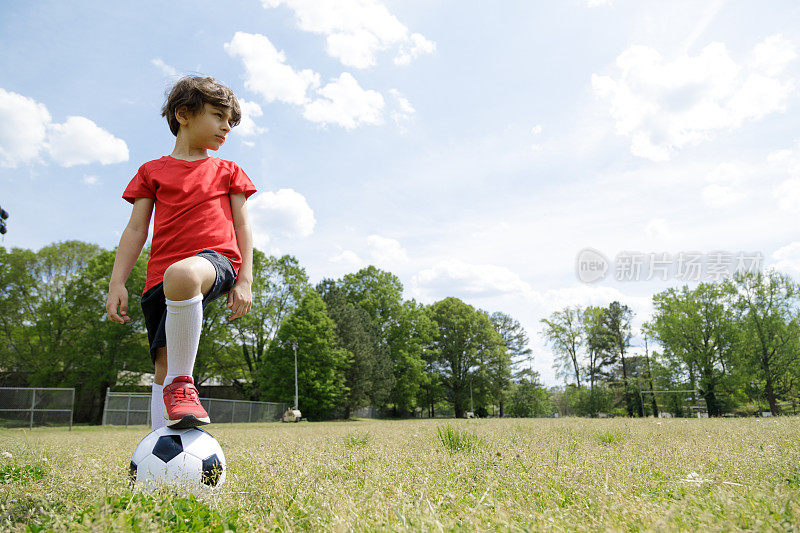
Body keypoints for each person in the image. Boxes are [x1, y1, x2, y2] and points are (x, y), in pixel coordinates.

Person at [105, 76, 256, 430]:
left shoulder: (228, 171)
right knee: (163, 365)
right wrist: (117, 283)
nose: (226, 127)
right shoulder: (151, 172)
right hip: (161, 278)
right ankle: (161, 448)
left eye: (230, 122)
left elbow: (244, 227)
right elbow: (136, 229)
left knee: (185, 274)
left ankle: (184, 387)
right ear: (184, 113)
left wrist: (246, 278)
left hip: (215, 261)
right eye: (219, 116)